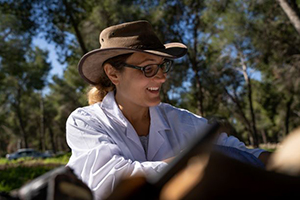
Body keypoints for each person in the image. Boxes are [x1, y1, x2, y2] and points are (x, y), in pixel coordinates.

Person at [65, 20, 268, 200]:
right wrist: (197, 162)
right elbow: (108, 182)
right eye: (148, 68)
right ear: (113, 74)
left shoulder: (180, 120)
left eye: (162, 66)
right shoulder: (85, 122)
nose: (162, 77)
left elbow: (240, 153)